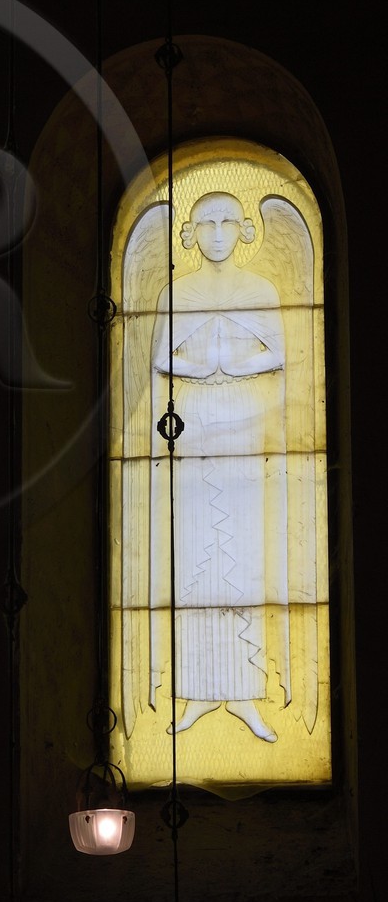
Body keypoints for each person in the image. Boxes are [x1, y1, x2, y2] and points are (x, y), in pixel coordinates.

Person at [150, 191, 287, 741]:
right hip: (196, 426)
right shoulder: (176, 292)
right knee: (198, 559)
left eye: (229, 221)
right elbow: (162, 356)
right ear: (189, 233)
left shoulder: (262, 291)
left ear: (245, 229)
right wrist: (202, 365)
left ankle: (247, 695)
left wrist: (236, 361)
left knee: (243, 555)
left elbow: (279, 352)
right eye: (205, 222)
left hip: (246, 428)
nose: (217, 231)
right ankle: (199, 695)